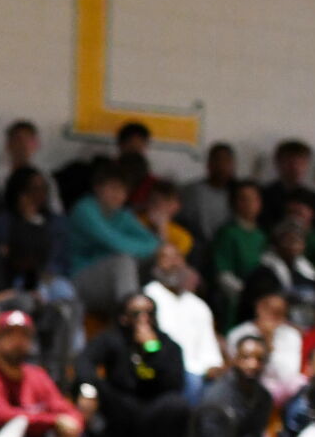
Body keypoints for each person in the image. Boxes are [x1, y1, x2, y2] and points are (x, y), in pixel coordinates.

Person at [77, 290, 191, 437]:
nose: (144, 319)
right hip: (120, 408)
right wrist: (88, 390)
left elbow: (174, 383)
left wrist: (152, 349)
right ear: (123, 317)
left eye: (149, 313)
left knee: (178, 405)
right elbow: (84, 362)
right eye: (137, 314)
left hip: (153, 409)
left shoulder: (167, 344)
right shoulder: (112, 339)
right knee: (94, 386)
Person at [67, 159, 158, 318]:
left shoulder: (122, 215)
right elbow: (113, 242)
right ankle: (133, 319)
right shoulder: (85, 209)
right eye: (113, 188)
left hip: (112, 280)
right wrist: (135, 249)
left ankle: (156, 323)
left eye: (123, 190)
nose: (118, 195)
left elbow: (154, 244)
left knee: (159, 261)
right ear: (97, 188)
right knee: (123, 261)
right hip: (80, 280)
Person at [144, 243, 221, 403]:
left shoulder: (199, 305)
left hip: (198, 373)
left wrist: (213, 366)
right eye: (166, 258)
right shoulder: (149, 296)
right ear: (155, 267)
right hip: (162, 367)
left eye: (177, 257)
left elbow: (210, 350)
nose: (173, 263)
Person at [213, 179, 269, 325]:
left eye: (254, 199)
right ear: (234, 203)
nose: (249, 204)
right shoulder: (228, 233)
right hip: (236, 300)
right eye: (244, 199)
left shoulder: (261, 235)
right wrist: (245, 293)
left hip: (261, 298)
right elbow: (223, 274)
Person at [180, 142, 237, 246]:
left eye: (226, 161)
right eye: (217, 160)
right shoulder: (192, 191)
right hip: (196, 247)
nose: (221, 165)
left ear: (233, 165)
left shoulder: (238, 192)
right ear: (208, 163)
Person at [261, 139, 315, 228]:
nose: (295, 167)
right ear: (278, 163)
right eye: (289, 162)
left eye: (300, 163)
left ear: (307, 164)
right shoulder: (264, 196)